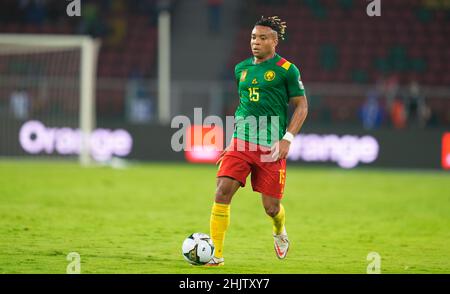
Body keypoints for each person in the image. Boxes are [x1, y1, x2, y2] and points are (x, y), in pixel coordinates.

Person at [207, 16, 309, 266]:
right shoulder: (240, 69)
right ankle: (216, 256)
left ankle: (279, 231)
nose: (256, 42)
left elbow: (302, 106)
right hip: (241, 142)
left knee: (271, 208)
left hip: (271, 147)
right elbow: (245, 105)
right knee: (221, 191)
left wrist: (287, 138)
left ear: (274, 41)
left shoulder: (287, 70)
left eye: (263, 38)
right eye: (253, 37)